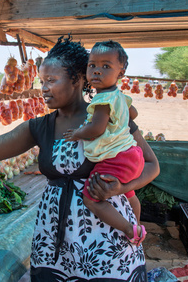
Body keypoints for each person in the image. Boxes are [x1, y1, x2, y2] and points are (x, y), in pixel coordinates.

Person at [0, 36, 159, 281]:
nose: (44, 88)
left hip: (106, 241)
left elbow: (151, 165)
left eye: (51, 80)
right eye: (42, 81)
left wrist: (124, 187)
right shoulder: (40, 128)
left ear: (77, 79)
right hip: (53, 241)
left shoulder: (113, 116)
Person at [63, 40, 146, 245]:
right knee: (130, 194)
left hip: (116, 158)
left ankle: (129, 229)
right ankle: (136, 222)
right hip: (132, 154)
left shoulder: (102, 100)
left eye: (106, 66)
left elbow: (97, 129)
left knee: (92, 198)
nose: (97, 71)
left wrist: (78, 133)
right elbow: (133, 113)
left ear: (121, 72)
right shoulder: (120, 96)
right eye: (92, 65)